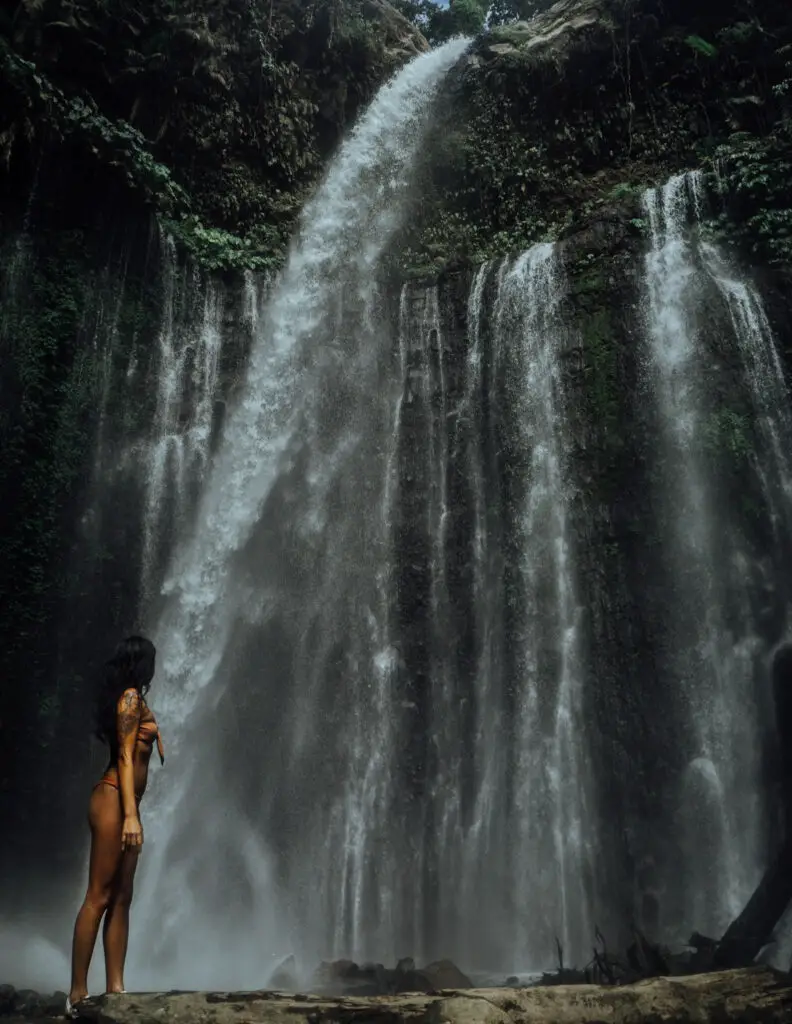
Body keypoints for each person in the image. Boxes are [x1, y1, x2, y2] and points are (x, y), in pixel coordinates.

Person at [66, 636, 165, 1015]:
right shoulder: (129, 699)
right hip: (113, 800)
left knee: (123, 897)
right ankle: (77, 993)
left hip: (125, 802)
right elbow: (124, 756)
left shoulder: (134, 699)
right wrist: (129, 815)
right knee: (99, 895)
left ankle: (116, 990)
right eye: (151, 661)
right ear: (141, 663)